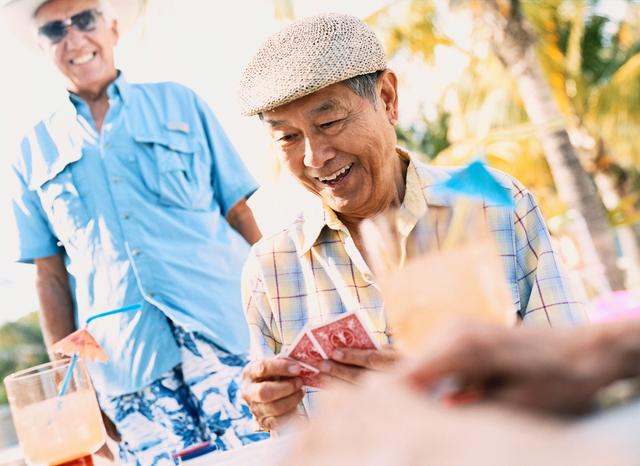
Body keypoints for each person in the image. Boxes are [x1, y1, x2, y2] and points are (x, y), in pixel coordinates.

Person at [236, 13, 588, 432]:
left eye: (328, 123)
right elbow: (286, 437)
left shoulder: (495, 203)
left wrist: (442, 388)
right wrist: (271, 410)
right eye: (287, 138)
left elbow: (573, 371)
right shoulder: (269, 269)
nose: (314, 157)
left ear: (386, 98)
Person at [5, 0, 267, 463]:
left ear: (112, 29)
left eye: (84, 20)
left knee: (279, 452)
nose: (73, 38)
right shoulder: (31, 152)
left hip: (229, 328)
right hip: (125, 365)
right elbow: (49, 276)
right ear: (44, 48)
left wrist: (283, 312)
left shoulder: (180, 101)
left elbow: (238, 212)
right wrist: (75, 393)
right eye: (53, 31)